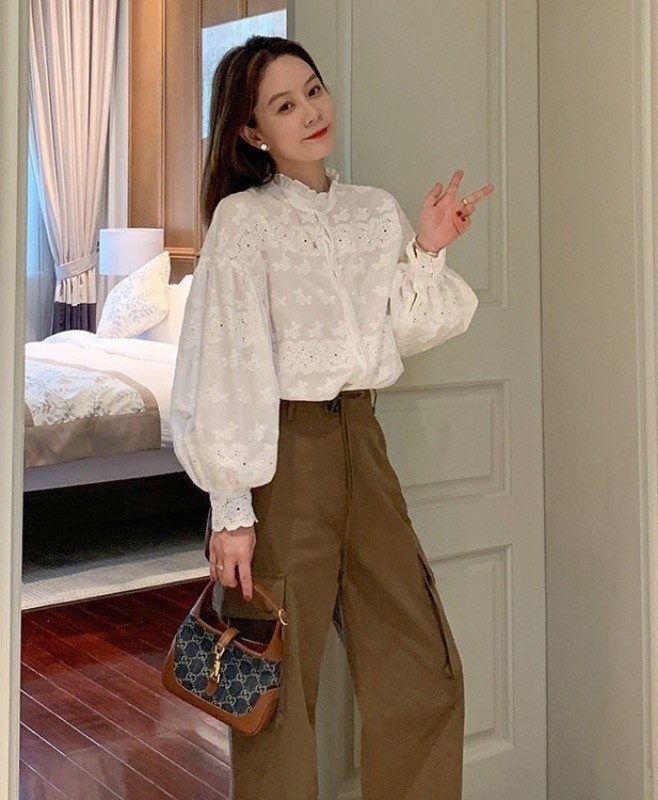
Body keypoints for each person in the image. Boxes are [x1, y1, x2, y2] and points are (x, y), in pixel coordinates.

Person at [170, 34, 494, 800]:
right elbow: (227, 357)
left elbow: (400, 331)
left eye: (313, 90)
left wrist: (428, 249)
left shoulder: (374, 211)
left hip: (362, 440)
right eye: (284, 105)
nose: (310, 112)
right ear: (252, 131)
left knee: (422, 666)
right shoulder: (244, 221)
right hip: (281, 456)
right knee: (275, 691)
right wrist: (230, 508)